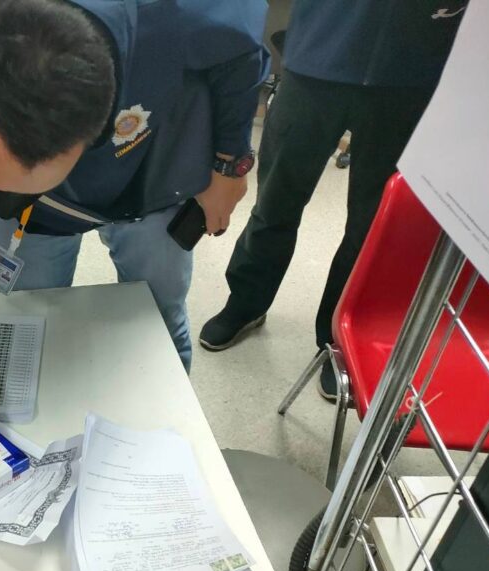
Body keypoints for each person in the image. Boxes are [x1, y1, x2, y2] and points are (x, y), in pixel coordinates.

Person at [0, 0, 268, 443]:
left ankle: (164, 444)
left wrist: (230, 164)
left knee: (157, 319)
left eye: (46, 178)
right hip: (32, 222)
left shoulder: (167, 13)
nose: (15, 188)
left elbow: (241, 48)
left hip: (151, 180)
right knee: (24, 320)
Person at [198, 0, 465, 400]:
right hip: (318, 59)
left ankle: (339, 335)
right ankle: (247, 302)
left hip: (413, 73)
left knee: (372, 227)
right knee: (275, 204)